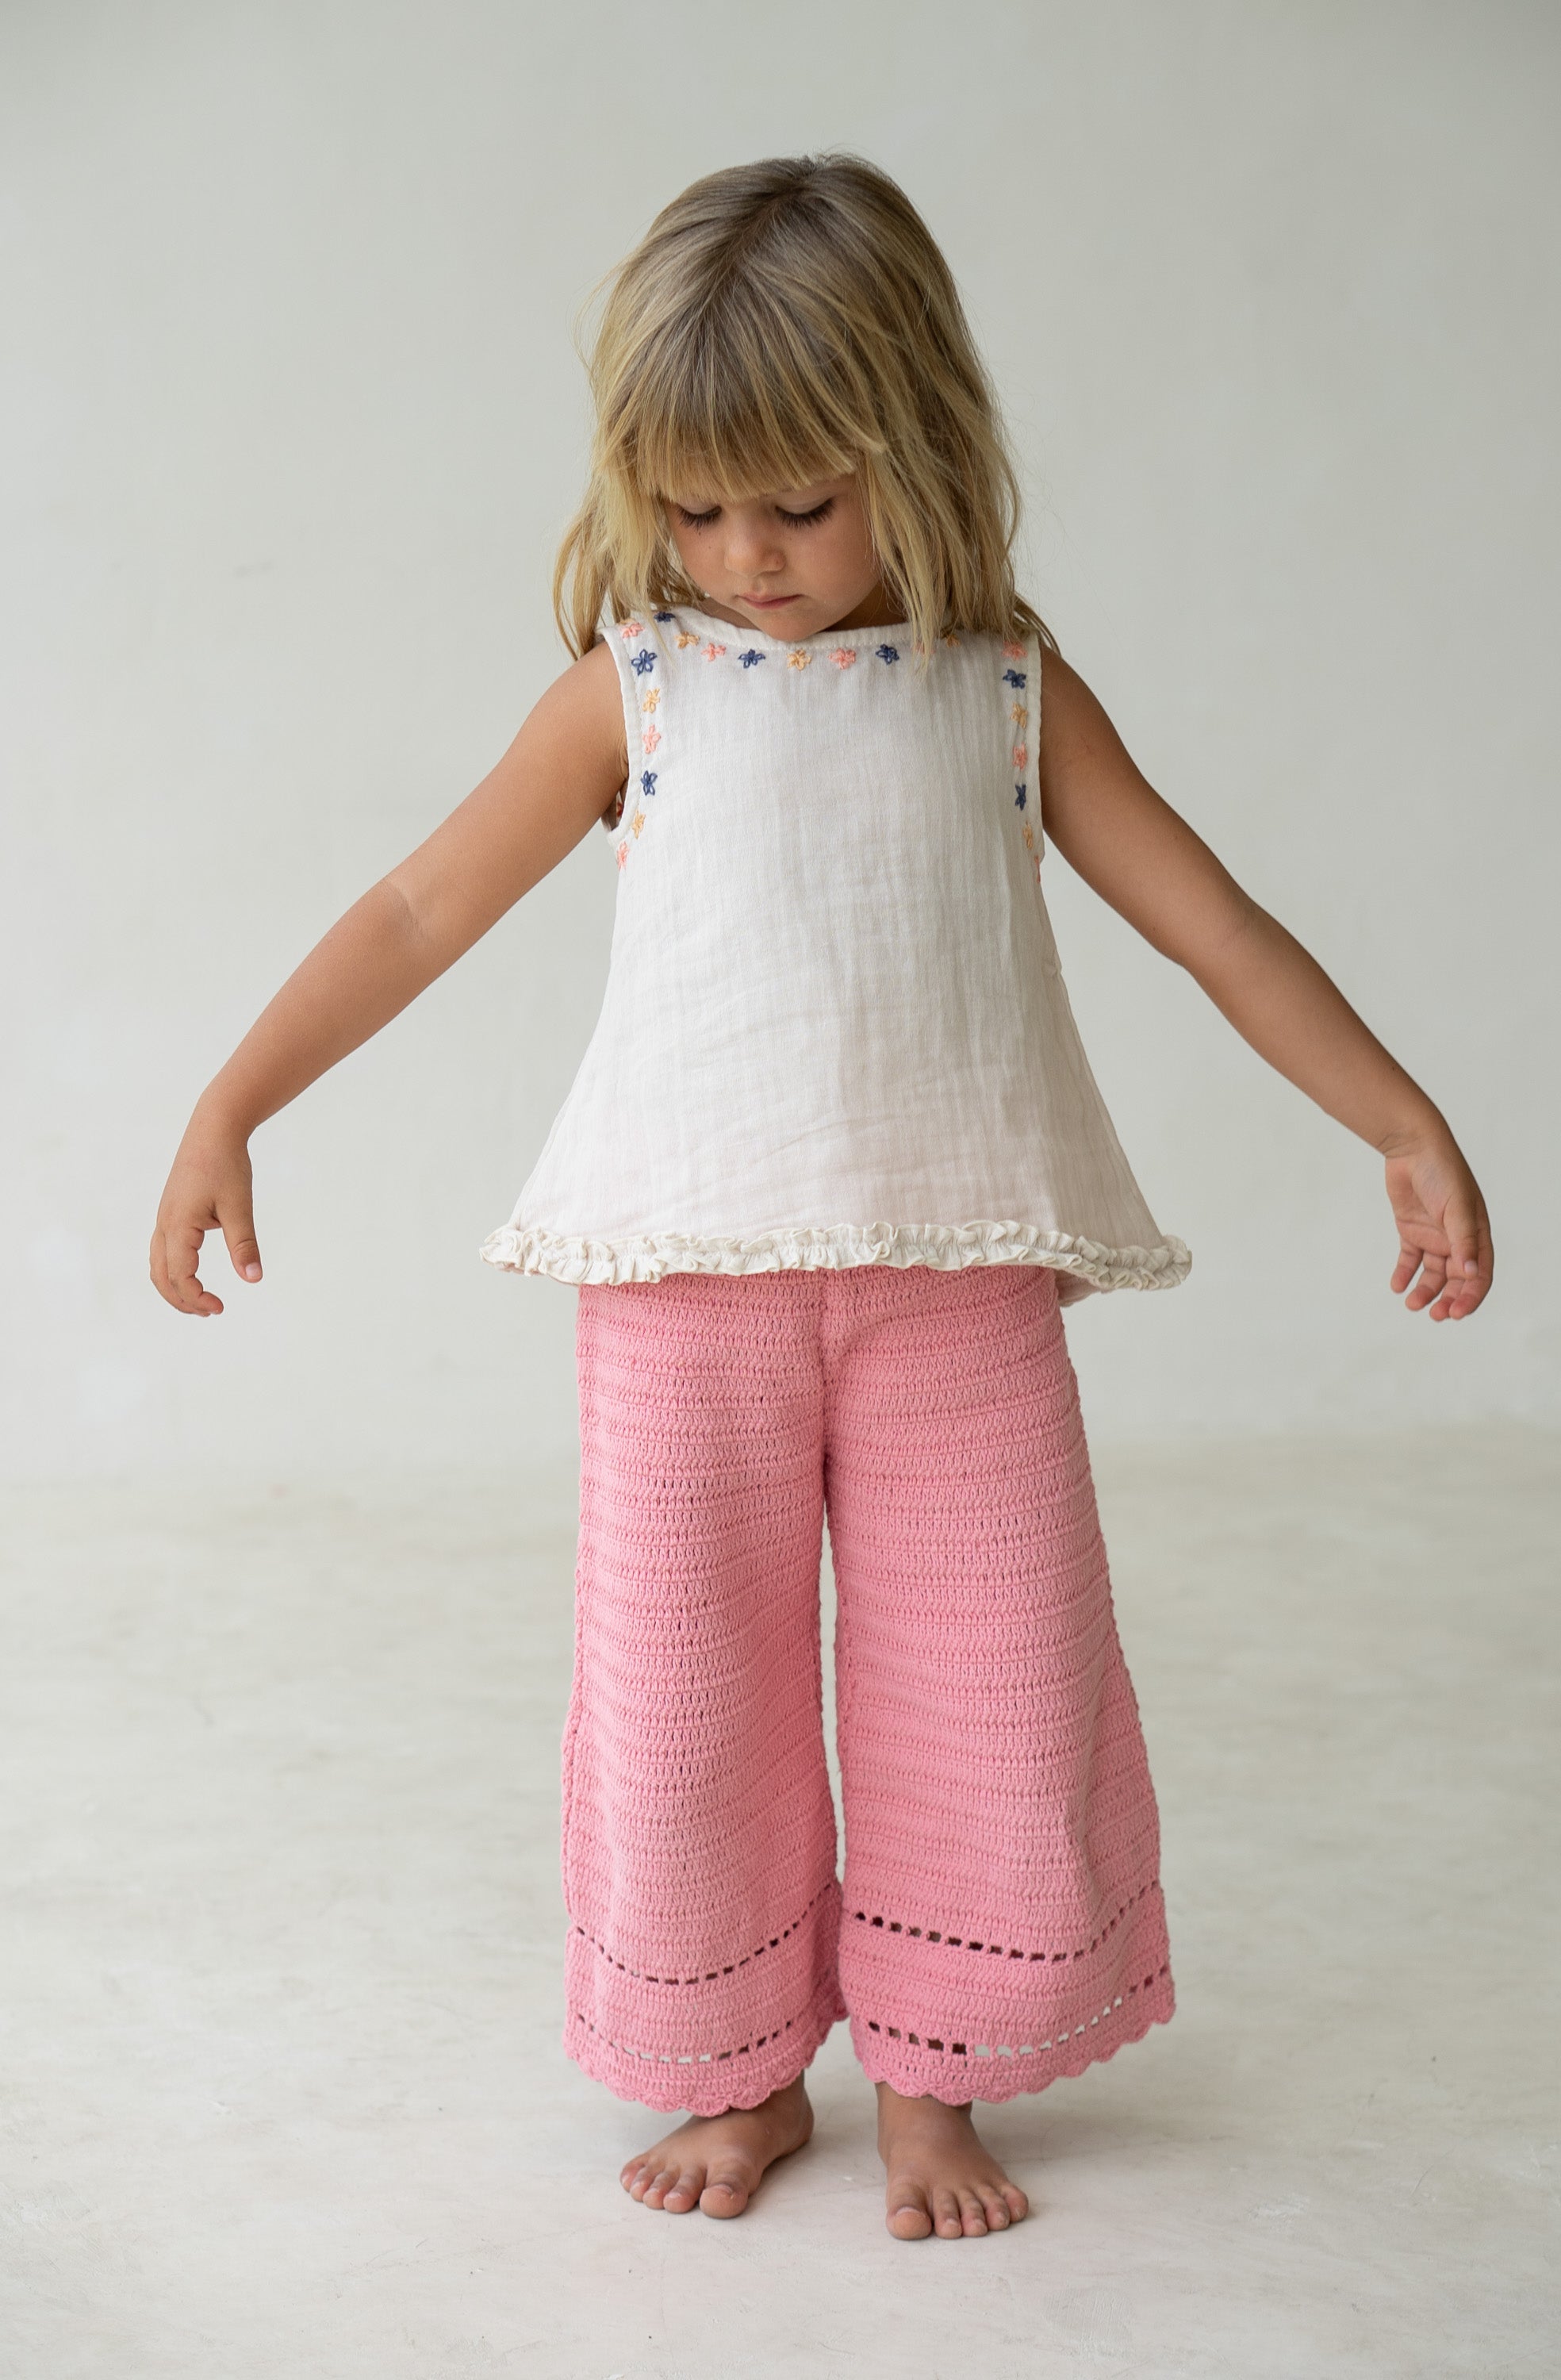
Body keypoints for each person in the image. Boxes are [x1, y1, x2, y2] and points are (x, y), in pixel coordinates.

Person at [151, 154, 1493, 2243]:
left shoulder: (1007, 692)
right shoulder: (641, 692)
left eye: (802, 500)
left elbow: (1212, 927)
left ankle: (944, 2077)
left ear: (920, 450)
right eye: (698, 509)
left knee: (998, 1673)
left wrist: (1395, 1115)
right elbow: (421, 904)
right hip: (686, 1293)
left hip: (959, 1290)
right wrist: (239, 1094)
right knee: (688, 1697)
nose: (748, 556)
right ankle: (737, 2065)